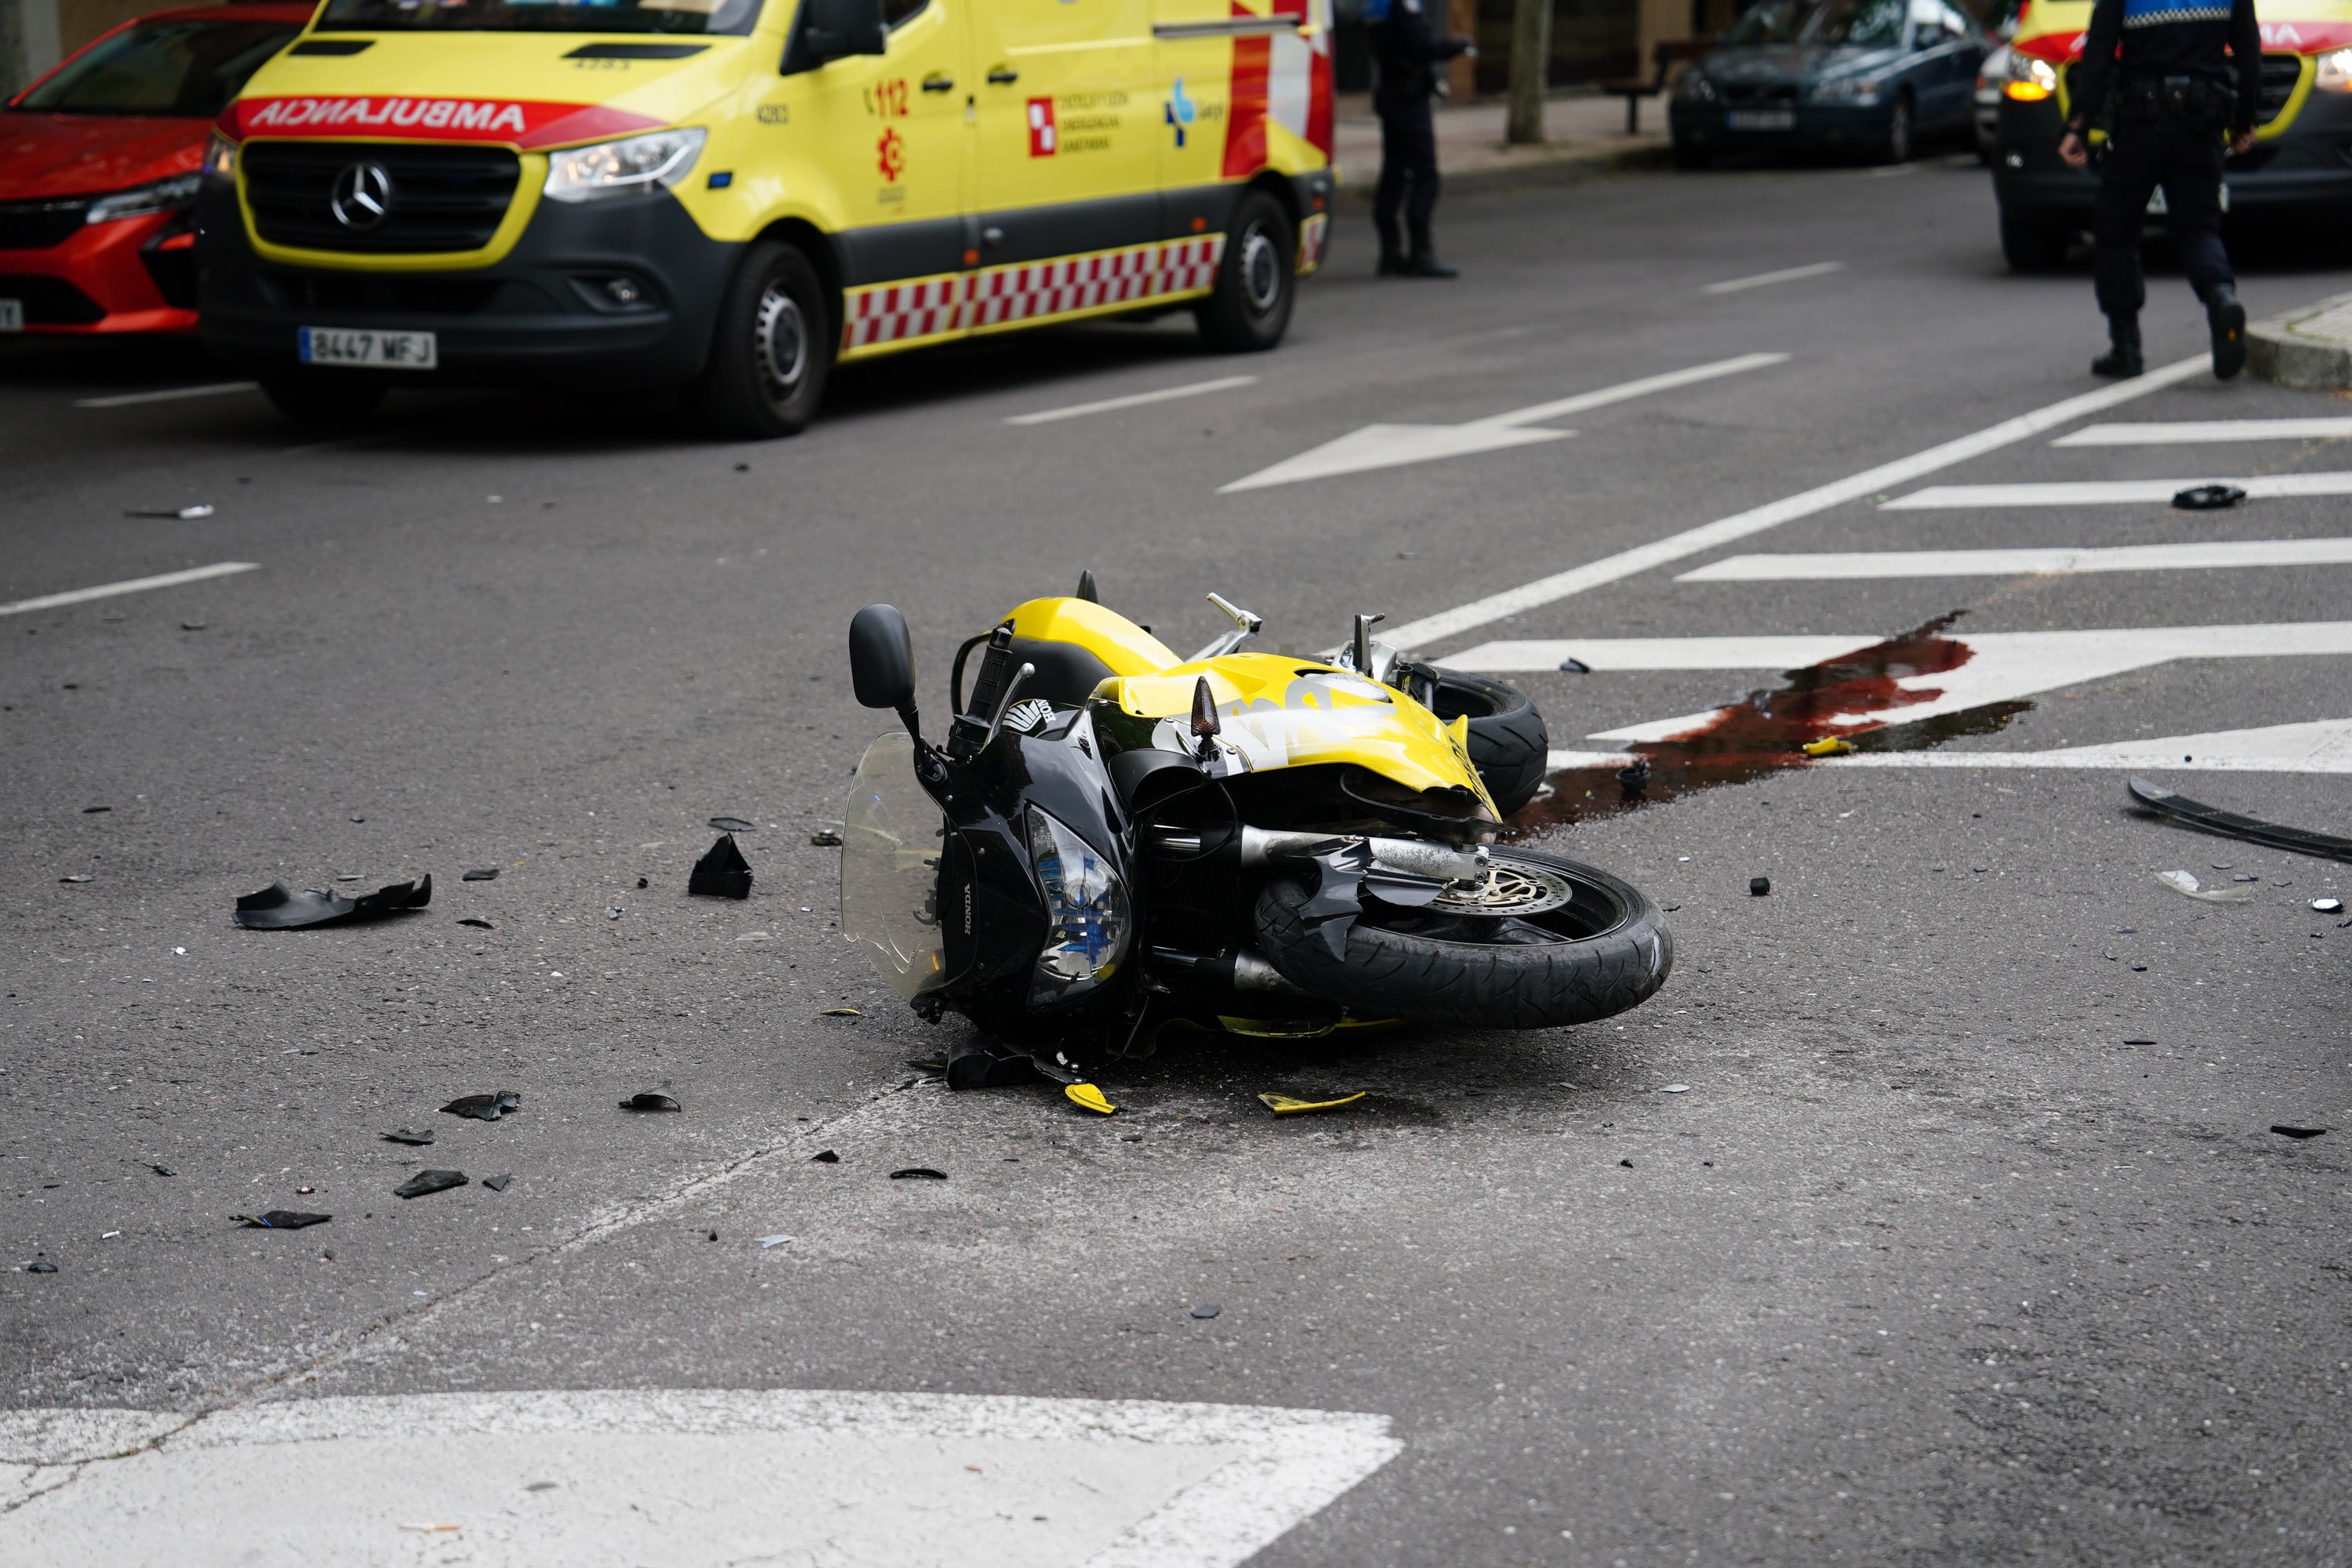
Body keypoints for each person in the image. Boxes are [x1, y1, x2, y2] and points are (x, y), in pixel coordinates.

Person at [2057, 0, 2259, 379]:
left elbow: (2098, 53)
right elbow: (2249, 50)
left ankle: (2126, 346)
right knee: (2198, 227)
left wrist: (2077, 126)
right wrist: (2245, 119)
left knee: (2116, 227)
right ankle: (2220, 296)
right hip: (2202, 121)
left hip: (2140, 124)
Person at [1365, 0, 1474, 278]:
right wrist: (1456, 46)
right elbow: (1420, 48)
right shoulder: (1403, 5)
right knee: (1425, 175)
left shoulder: (1379, 6)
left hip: (1391, 95)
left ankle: (1390, 252)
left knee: (1394, 173)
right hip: (1408, 98)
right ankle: (1421, 252)